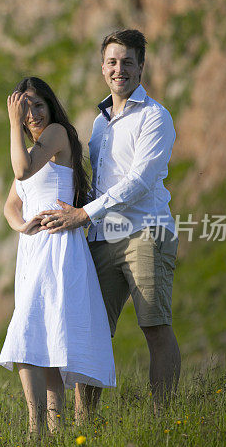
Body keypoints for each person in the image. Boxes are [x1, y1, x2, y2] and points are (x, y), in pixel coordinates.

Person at [39, 29, 181, 415]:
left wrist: (83, 214)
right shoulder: (101, 122)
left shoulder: (156, 116)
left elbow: (139, 181)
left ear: (141, 67)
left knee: (154, 325)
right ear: (103, 68)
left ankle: (161, 420)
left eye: (128, 62)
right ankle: (87, 427)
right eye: (113, 62)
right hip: (102, 236)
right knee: (93, 334)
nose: (120, 69)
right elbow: (101, 181)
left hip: (145, 231)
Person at [0, 77, 116, 438]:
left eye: (37, 105)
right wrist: (22, 226)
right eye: (25, 107)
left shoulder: (56, 134)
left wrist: (13, 125)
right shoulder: (32, 148)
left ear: (50, 107)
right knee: (40, 334)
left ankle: (38, 432)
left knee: (31, 331)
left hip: (59, 247)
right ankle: (51, 431)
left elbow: (21, 171)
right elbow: (10, 205)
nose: (32, 114)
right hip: (34, 249)